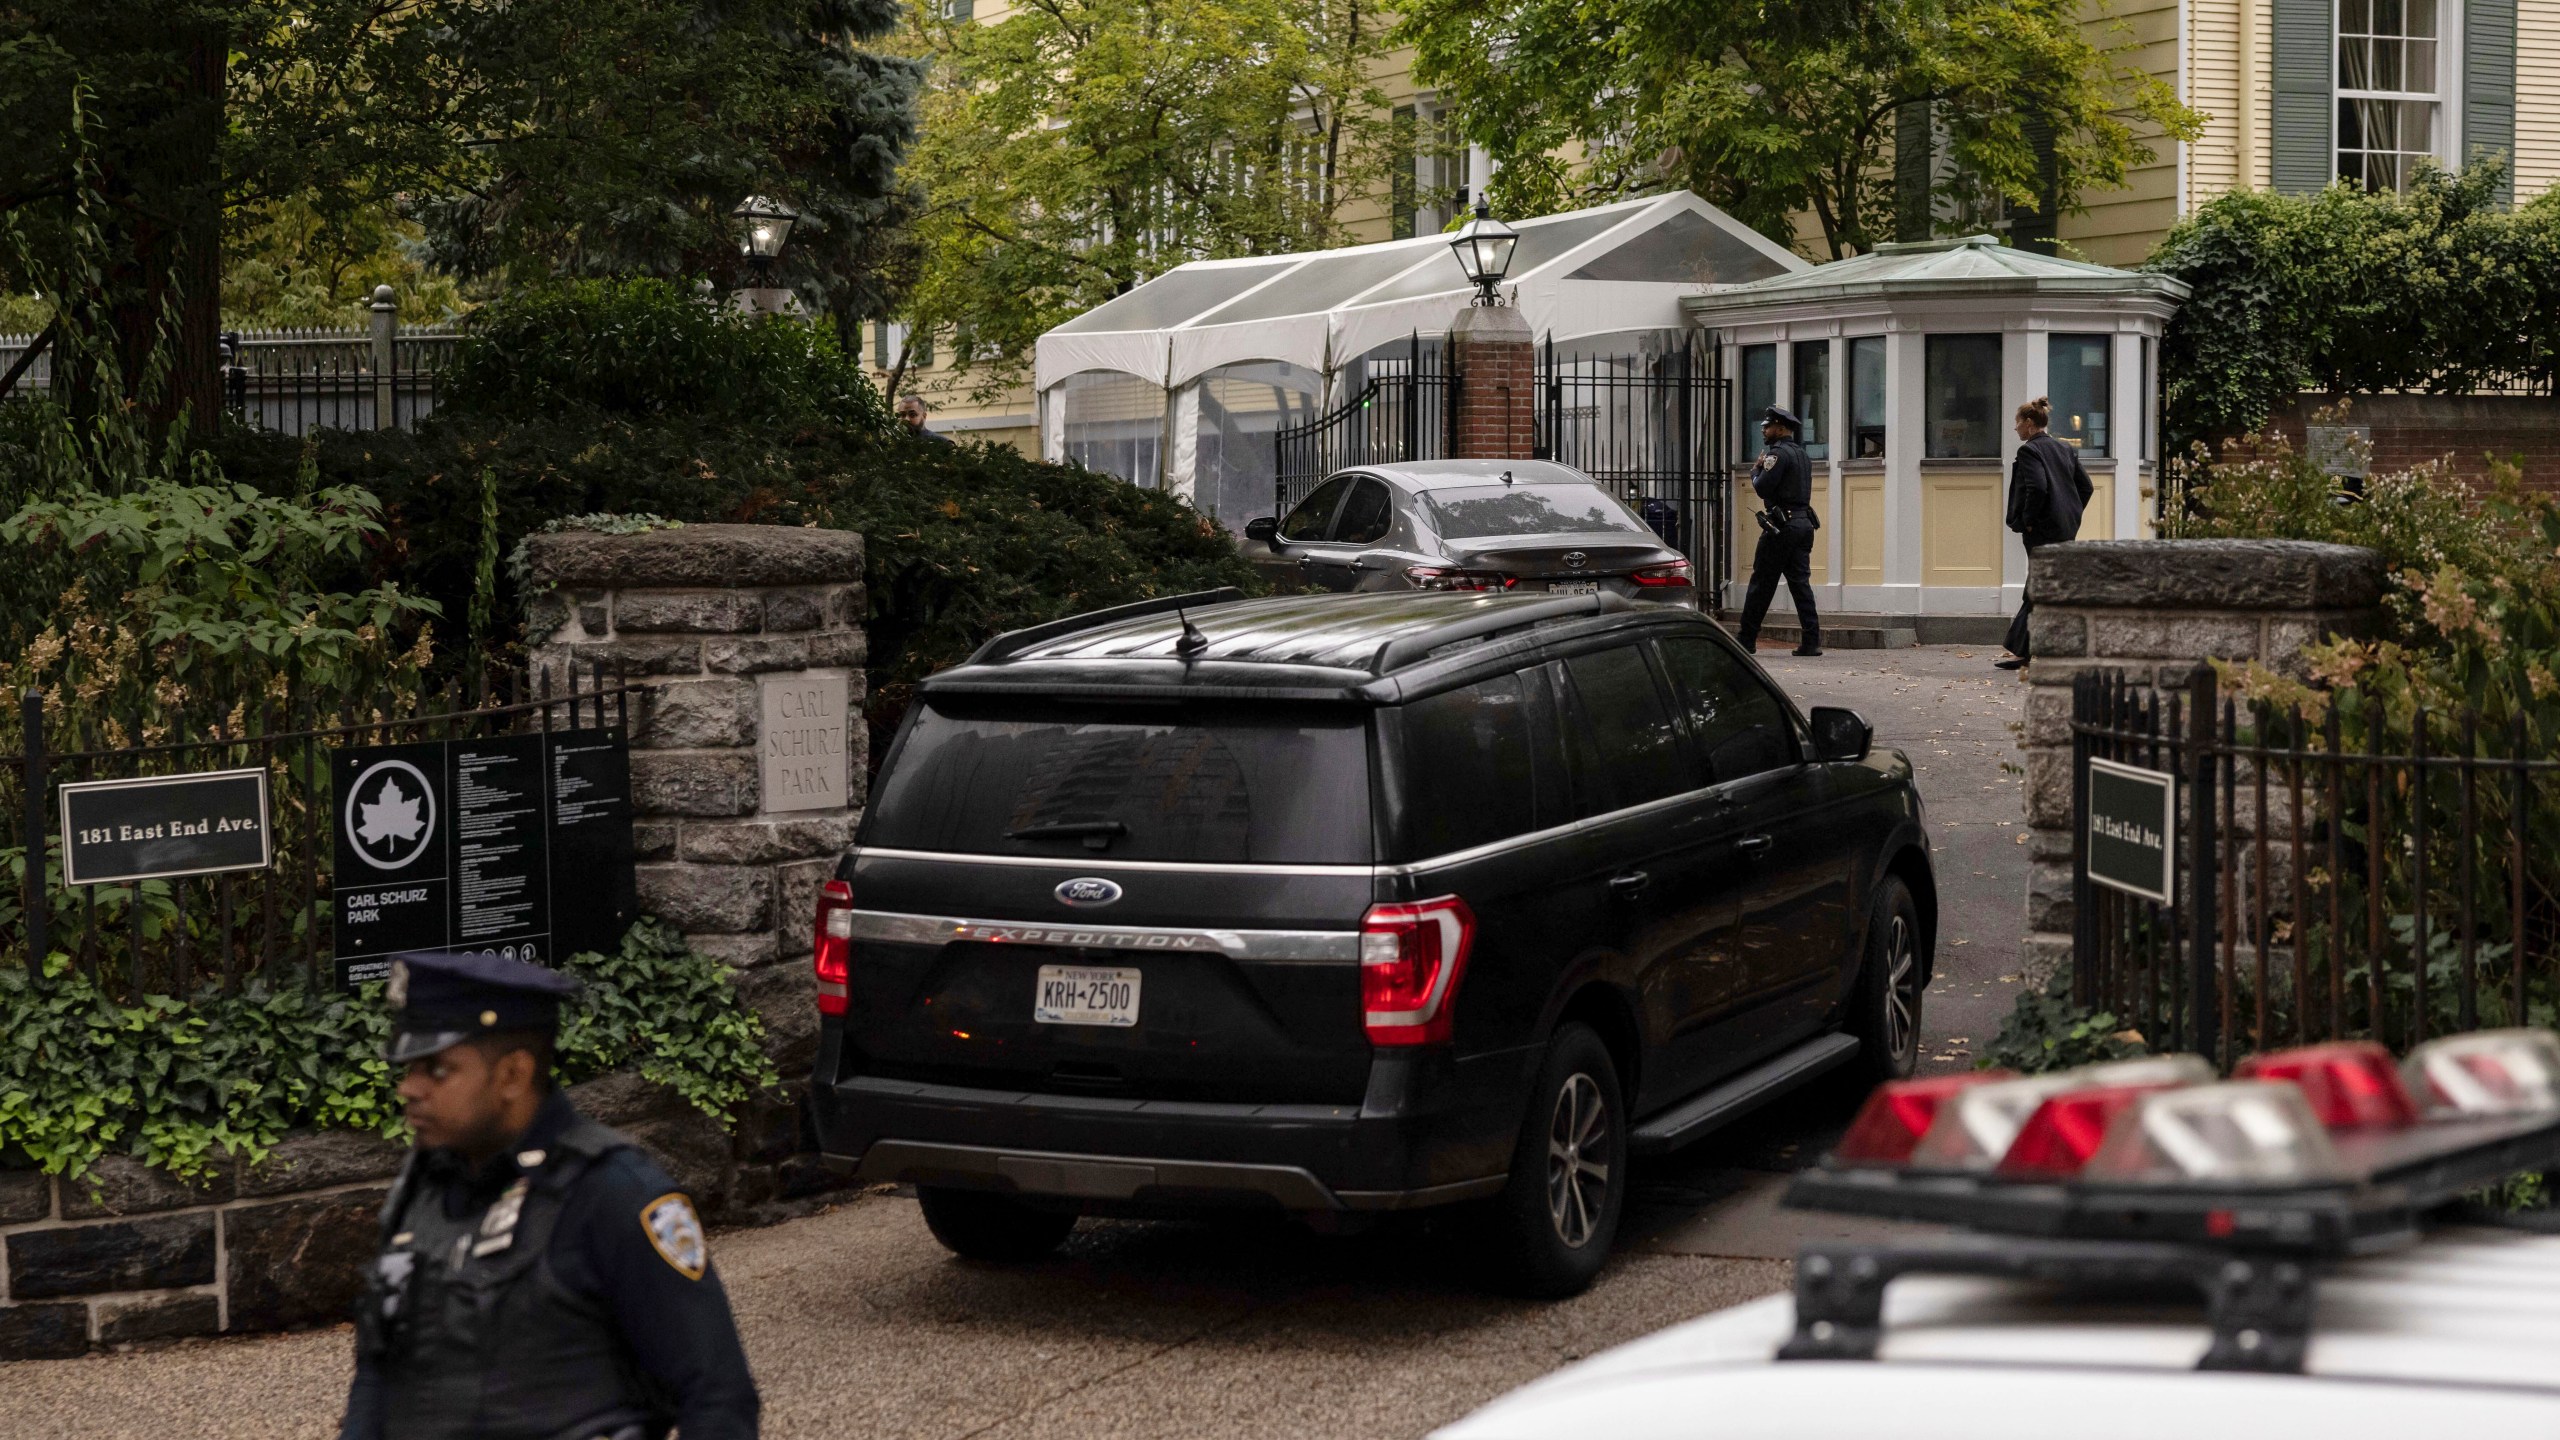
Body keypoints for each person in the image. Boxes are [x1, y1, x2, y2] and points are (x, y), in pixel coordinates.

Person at [339, 951, 760, 1440]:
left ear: (513, 1076)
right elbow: (378, 1372)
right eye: (408, 1066)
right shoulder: (424, 1187)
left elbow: (717, 1397)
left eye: (436, 1069)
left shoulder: (612, 1192)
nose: (408, 1088)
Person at [1997, 396, 2094, 671]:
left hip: (2041, 530)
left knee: (2040, 584)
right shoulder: (2064, 449)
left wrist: (2029, 520)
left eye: (2017, 423)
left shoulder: (2030, 451)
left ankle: (2024, 649)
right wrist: (2070, 514)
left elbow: (2037, 488)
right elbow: (2085, 487)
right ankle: (2027, 649)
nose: (2015, 429)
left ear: (2029, 423)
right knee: (2048, 584)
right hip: (2064, 528)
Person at [1733, 405, 1822, 657]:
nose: (1764, 429)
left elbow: (1762, 488)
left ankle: (1746, 638)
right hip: (1804, 524)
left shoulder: (1777, 455)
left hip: (1782, 528)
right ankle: (1811, 640)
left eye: (1768, 426)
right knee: (1800, 583)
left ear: (1780, 428)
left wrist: (1755, 471)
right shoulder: (1802, 455)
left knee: (1761, 583)